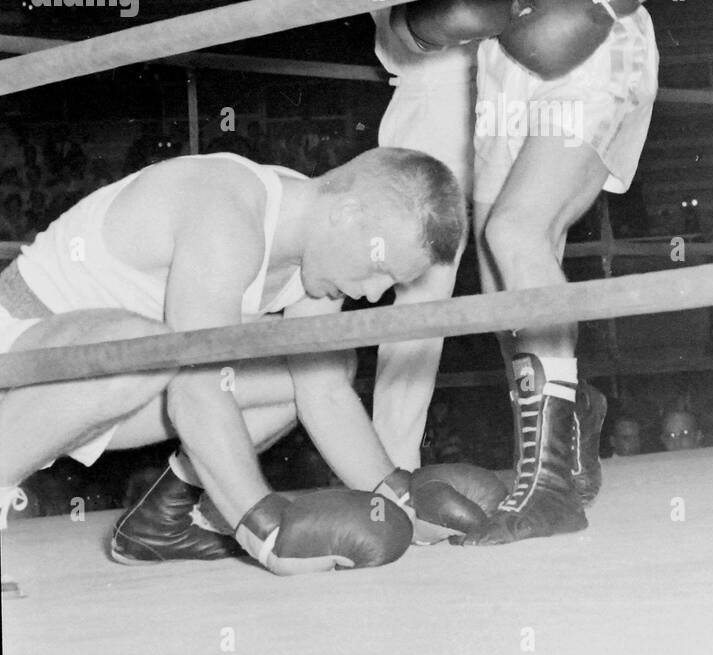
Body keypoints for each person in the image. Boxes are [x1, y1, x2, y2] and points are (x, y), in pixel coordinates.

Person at [323, 0, 713, 543]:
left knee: (513, 233)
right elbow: (402, 30)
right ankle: (568, 441)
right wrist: (438, 16)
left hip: (603, 39)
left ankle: (545, 488)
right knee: (508, 263)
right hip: (503, 67)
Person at [0, 148, 505, 573]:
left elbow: (322, 392)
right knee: (149, 347)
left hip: (103, 393)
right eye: (378, 268)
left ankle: (168, 519)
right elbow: (197, 384)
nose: (372, 294)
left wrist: (400, 496)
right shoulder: (227, 209)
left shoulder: (312, 251)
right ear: (347, 213)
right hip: (19, 363)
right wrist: (261, 524)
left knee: (315, 361)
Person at [298, 0, 475, 473]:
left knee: (523, 259)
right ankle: (389, 464)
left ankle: (561, 427)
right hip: (428, 110)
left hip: (516, 101)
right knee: (418, 287)